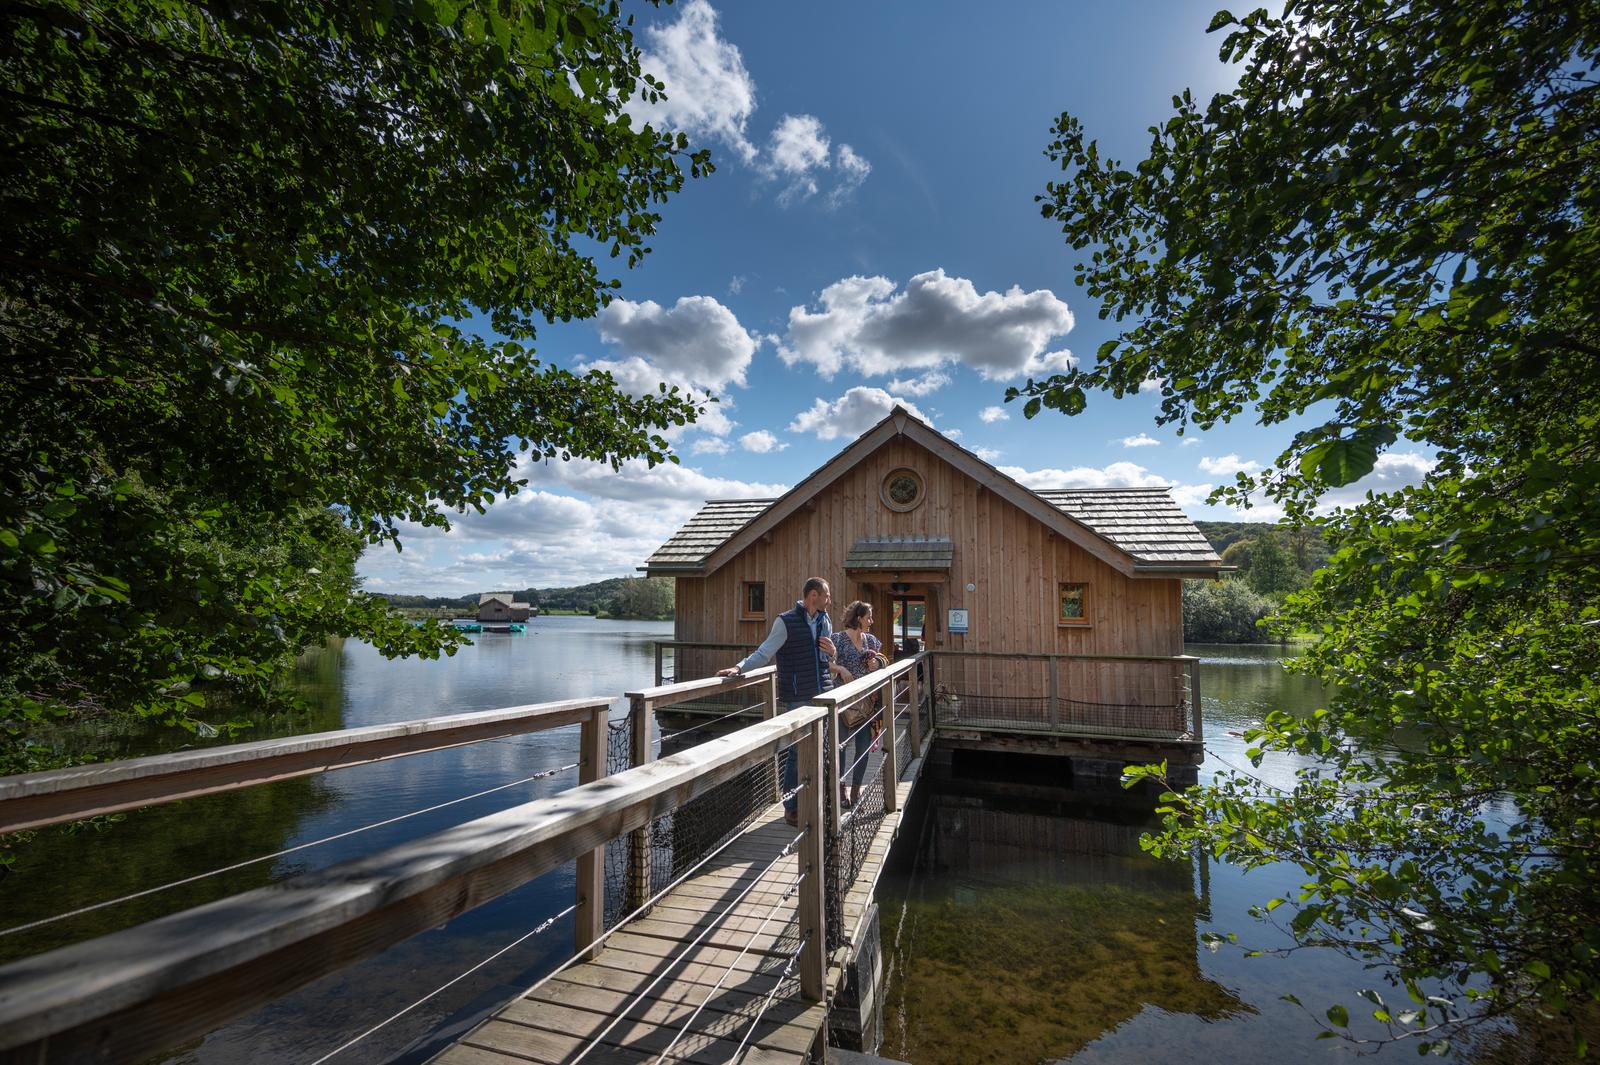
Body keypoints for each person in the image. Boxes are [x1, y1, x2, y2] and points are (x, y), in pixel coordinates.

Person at [718, 577, 835, 825]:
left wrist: (832, 652)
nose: (829, 600)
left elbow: (826, 659)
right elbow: (764, 652)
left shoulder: (825, 620)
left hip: (822, 692)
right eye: (826, 595)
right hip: (797, 695)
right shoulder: (785, 621)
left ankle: (814, 798)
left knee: (822, 748)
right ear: (813, 595)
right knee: (796, 751)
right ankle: (791, 806)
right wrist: (739, 668)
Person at [831, 600, 884, 809]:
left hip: (866, 703)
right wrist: (841, 670)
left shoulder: (871, 640)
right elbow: (824, 662)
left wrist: (877, 663)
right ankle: (840, 789)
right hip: (843, 702)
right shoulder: (838, 639)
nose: (871, 621)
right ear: (859, 618)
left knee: (862, 748)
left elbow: (884, 660)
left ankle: (856, 790)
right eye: (869, 617)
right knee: (841, 747)